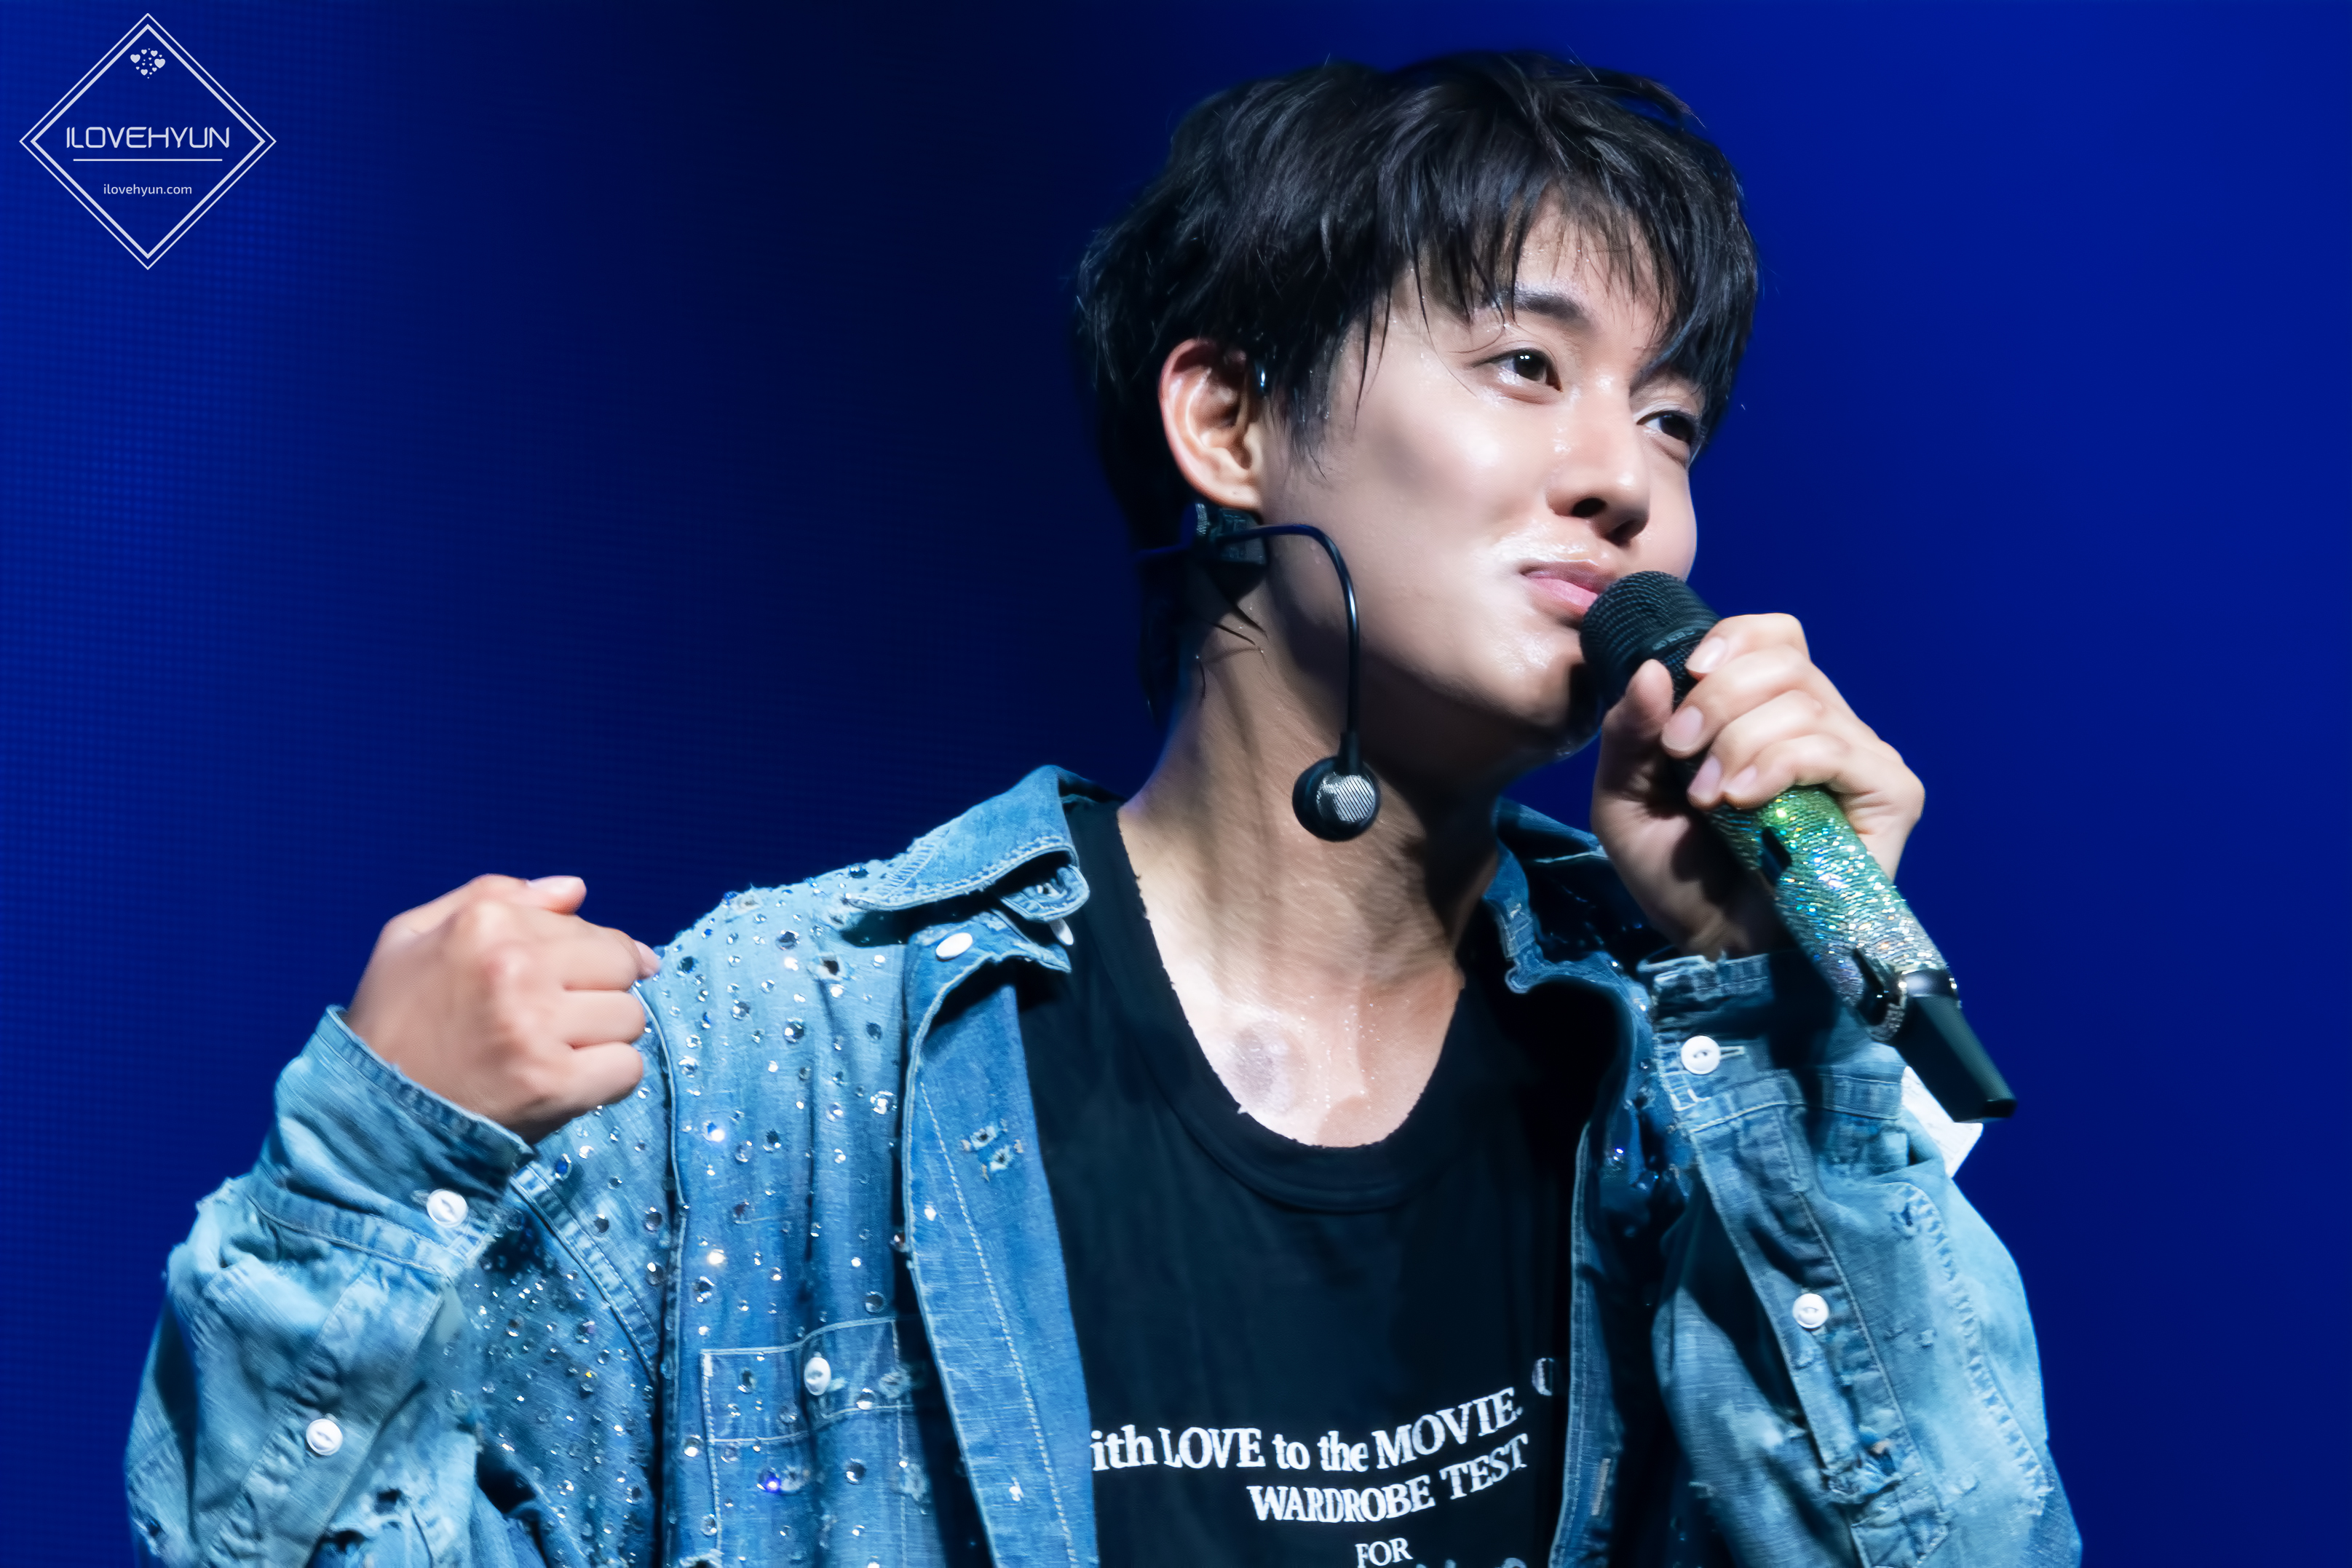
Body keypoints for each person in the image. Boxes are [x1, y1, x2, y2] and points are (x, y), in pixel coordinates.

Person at [125, 52, 2076, 1568]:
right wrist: (369, 1181)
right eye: (1523, 364)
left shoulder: (1692, 1067)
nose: (1624, 481)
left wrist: (1783, 1036)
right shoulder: (781, 1054)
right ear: (1228, 421)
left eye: (1669, 419)